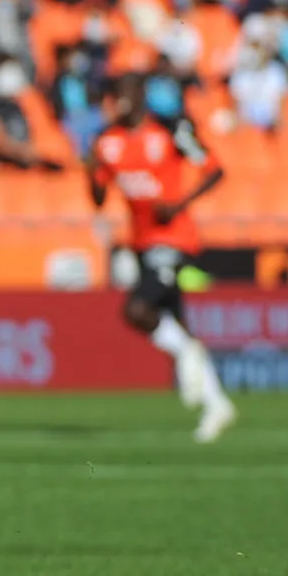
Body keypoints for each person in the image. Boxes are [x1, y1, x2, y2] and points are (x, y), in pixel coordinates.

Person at [87, 72, 236, 442]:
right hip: (142, 241)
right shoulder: (107, 143)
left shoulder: (169, 133)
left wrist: (179, 204)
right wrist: (90, 172)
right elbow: (100, 198)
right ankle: (217, 405)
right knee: (175, 322)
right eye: (113, 94)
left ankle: (188, 352)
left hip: (174, 238)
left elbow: (215, 170)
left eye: (123, 92)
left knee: (137, 310)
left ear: (139, 95)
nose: (117, 101)